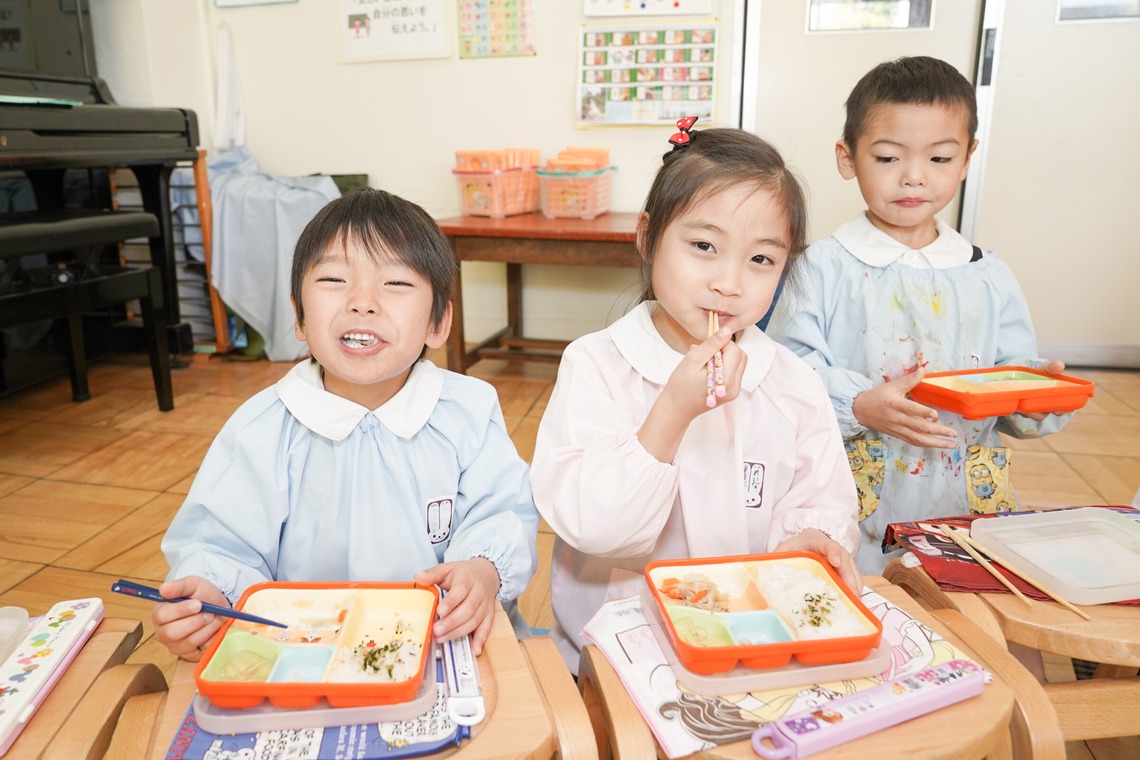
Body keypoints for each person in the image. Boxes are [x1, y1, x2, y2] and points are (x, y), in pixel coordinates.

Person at [530, 120, 861, 672]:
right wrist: (673, 411)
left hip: (751, 639)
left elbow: (822, 498)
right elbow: (595, 527)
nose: (730, 282)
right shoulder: (595, 365)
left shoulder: (792, 382)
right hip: (620, 647)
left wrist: (809, 538)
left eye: (761, 260)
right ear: (647, 236)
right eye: (704, 245)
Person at [154, 188, 539, 659]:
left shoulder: (468, 410)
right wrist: (213, 598)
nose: (362, 302)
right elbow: (220, 544)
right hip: (309, 653)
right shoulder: (261, 429)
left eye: (395, 283)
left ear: (438, 323)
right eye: (335, 279)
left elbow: (503, 512)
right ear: (298, 314)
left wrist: (482, 569)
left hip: (444, 644)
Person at [766, 56, 1072, 574]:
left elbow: (1012, 372)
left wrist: (1032, 396)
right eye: (887, 158)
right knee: (875, 608)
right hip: (862, 492)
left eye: (939, 159)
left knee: (975, 608)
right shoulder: (822, 267)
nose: (913, 178)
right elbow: (786, 376)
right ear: (848, 158)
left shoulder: (985, 274)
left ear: (968, 158)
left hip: (964, 498)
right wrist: (858, 403)